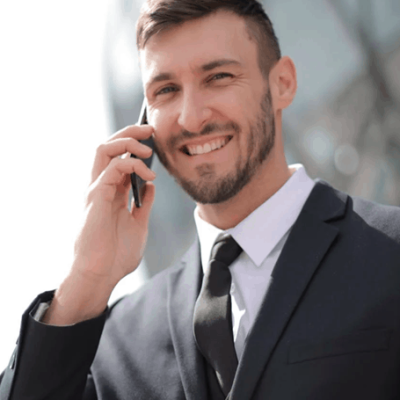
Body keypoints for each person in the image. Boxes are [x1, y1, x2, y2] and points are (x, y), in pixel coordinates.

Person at [1, 0, 400, 399]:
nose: (191, 118)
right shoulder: (118, 339)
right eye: (166, 90)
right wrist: (86, 280)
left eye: (219, 77)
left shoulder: (391, 256)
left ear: (282, 84)